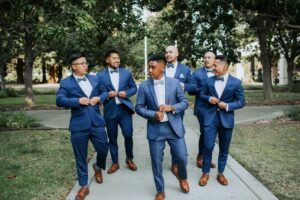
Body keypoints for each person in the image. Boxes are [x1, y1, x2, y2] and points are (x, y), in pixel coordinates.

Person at [135, 54, 189, 200]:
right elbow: (138, 107)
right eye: (149, 68)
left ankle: (182, 178)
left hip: (174, 128)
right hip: (156, 129)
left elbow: (185, 103)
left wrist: (171, 107)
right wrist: (153, 114)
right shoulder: (144, 86)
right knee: (156, 161)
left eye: (152, 67)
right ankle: (160, 189)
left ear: (163, 67)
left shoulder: (174, 83)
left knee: (182, 157)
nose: (150, 71)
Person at [56, 52, 108, 200]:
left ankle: (98, 166)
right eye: (82, 63)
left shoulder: (94, 78)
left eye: (86, 63)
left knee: (104, 148)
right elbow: (59, 100)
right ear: (74, 66)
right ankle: (84, 186)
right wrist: (77, 101)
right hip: (79, 125)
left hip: (97, 122)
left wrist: (99, 98)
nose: (86, 65)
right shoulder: (66, 83)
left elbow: (104, 92)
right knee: (81, 157)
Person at [198, 55, 245, 186]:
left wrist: (228, 106)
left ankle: (221, 173)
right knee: (207, 146)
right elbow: (202, 94)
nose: (213, 67)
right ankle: (205, 173)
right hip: (210, 119)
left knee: (224, 148)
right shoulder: (208, 81)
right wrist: (209, 99)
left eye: (215, 65)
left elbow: (241, 102)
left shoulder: (236, 83)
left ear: (224, 67)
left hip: (227, 119)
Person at [96, 50, 137, 174]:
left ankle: (129, 159)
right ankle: (115, 162)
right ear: (107, 60)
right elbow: (97, 94)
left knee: (128, 135)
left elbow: (134, 88)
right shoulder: (99, 76)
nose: (117, 60)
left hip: (124, 109)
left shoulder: (126, 73)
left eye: (118, 58)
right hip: (110, 110)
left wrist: (127, 93)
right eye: (114, 58)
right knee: (112, 138)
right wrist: (107, 95)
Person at [164, 45, 193, 176]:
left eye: (170, 52)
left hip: (177, 109)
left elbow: (193, 87)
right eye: (166, 52)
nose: (168, 54)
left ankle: (175, 162)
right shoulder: (161, 66)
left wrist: (182, 85)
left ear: (177, 54)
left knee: (176, 134)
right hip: (162, 107)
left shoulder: (185, 69)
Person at [190, 51, 217, 168]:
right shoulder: (197, 74)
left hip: (216, 108)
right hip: (203, 108)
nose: (206, 59)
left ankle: (207, 157)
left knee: (212, 134)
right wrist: (201, 89)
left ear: (214, 60)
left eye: (209, 57)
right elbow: (191, 90)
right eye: (205, 57)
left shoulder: (218, 72)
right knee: (206, 133)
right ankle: (201, 156)